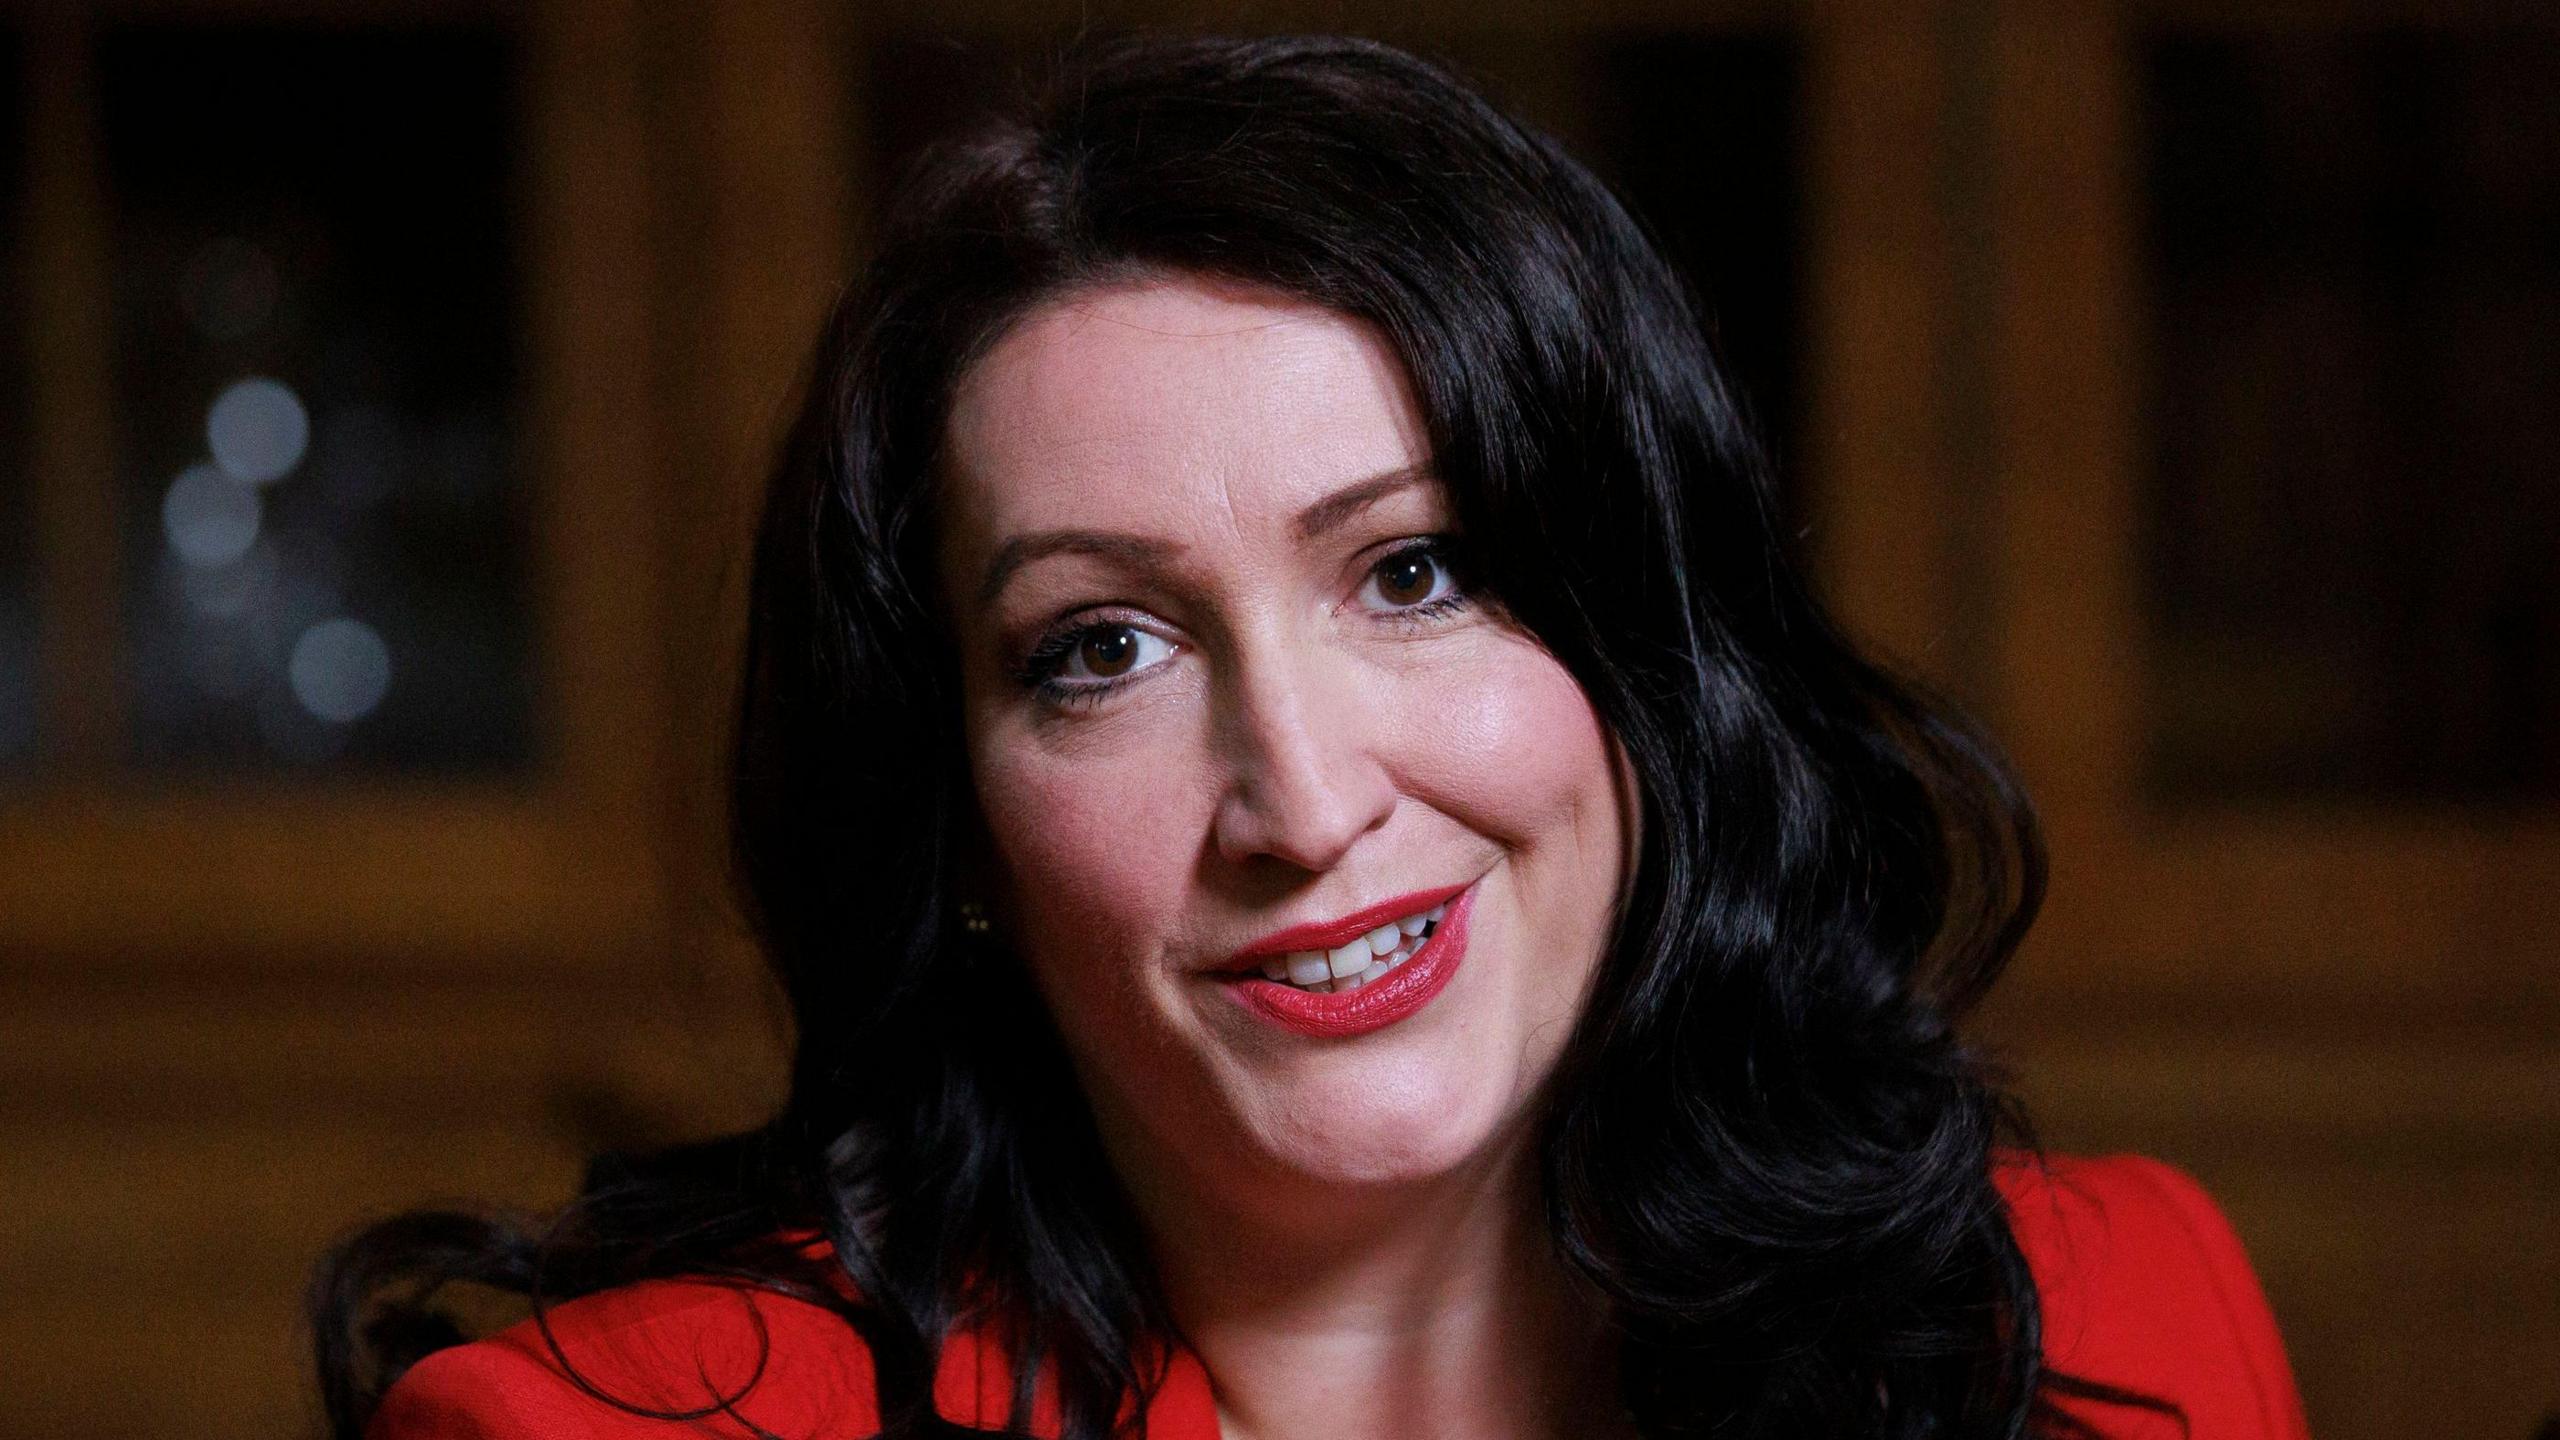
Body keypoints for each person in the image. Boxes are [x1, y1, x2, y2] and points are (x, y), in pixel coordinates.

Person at [313, 32, 2313, 1440]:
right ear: (958, 830)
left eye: (1415, 573)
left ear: (1636, 660)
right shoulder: (604, 1437)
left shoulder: (2111, 1326)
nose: (1302, 797)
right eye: (1102, 646)